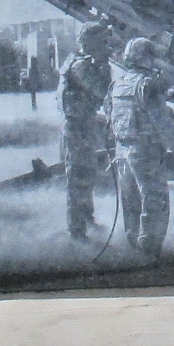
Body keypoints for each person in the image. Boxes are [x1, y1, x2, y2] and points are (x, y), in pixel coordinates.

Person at [105, 37, 174, 261]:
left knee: (130, 201)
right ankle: (149, 252)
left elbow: (109, 113)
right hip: (146, 151)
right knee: (154, 200)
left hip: (122, 150)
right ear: (147, 58)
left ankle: (133, 247)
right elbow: (162, 123)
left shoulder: (117, 84)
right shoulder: (146, 85)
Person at [59, 21, 111, 241]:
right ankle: (76, 230)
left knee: (87, 175)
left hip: (83, 126)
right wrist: (104, 66)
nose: (105, 44)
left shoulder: (83, 62)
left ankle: (87, 219)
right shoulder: (80, 66)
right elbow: (101, 91)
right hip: (76, 129)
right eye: (102, 40)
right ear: (90, 42)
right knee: (78, 177)